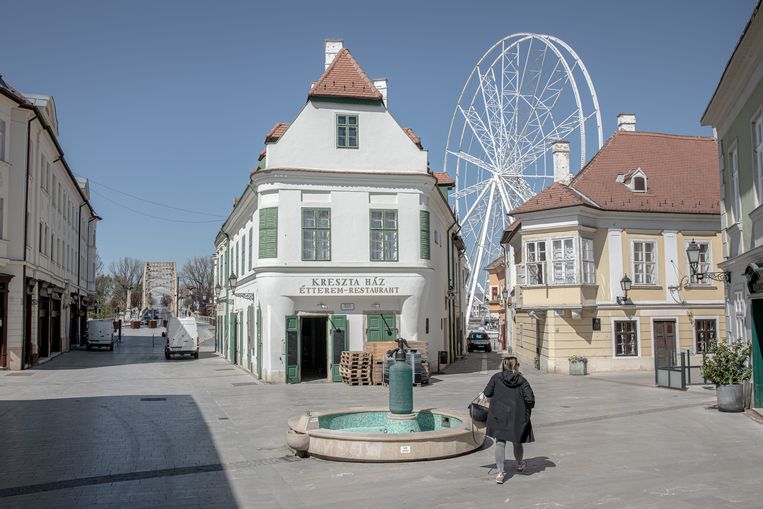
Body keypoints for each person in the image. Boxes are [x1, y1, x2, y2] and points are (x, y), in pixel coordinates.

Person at [481, 356, 535, 484]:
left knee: (500, 443)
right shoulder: (522, 380)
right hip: (517, 415)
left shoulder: (496, 377)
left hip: (499, 414)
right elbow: (530, 399)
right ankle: (520, 464)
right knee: (517, 441)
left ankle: (500, 473)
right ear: (515, 365)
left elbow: (487, 393)